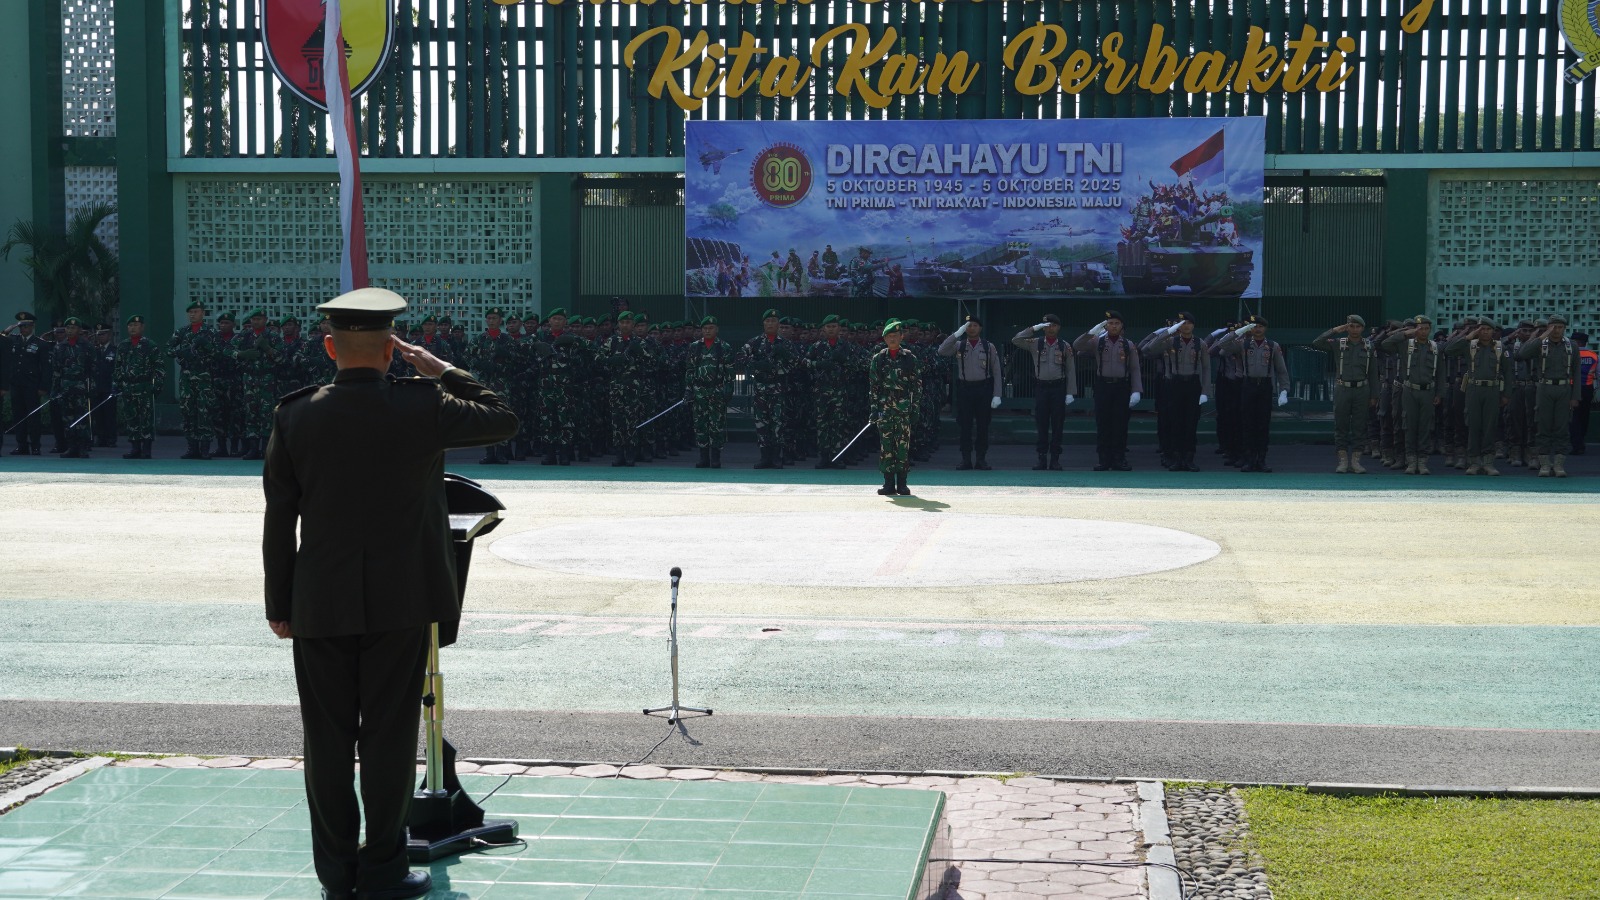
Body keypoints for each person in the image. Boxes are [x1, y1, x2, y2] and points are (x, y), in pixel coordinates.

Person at [262, 288, 518, 900]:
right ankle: (382, 871)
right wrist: (440, 369)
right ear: (390, 351)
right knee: (390, 738)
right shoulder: (423, 404)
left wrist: (279, 604)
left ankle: (337, 876)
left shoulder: (295, 414)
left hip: (319, 604)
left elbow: (279, 518)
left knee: (326, 742)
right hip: (402, 602)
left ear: (330, 348)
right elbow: (502, 417)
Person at [1214, 315, 1289, 473]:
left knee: (1262, 425)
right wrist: (1239, 331)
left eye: (1260, 326)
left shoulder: (1272, 346)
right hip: (1248, 385)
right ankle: (1249, 460)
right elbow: (1222, 345)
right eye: (1254, 326)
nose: (1258, 329)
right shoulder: (1244, 344)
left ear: (1265, 328)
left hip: (1265, 386)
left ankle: (1261, 460)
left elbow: (1281, 370)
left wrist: (1284, 390)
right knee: (1247, 424)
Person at [1074, 311, 1143, 471]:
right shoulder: (1097, 341)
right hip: (1103, 386)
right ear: (1106, 326)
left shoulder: (1128, 344)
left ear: (1122, 326)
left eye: (1117, 323)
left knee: (1120, 424)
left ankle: (1119, 459)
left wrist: (1136, 390)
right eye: (1110, 323)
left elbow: (1135, 368)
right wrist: (1092, 331)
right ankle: (1103, 460)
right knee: (1103, 423)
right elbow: (1077, 345)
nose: (1113, 326)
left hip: (1121, 387)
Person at [1145, 312, 1212, 472]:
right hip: (1175, 384)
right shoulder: (1171, 341)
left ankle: (1189, 458)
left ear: (1193, 325)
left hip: (1193, 384)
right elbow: (1149, 348)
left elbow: (1206, 368)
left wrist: (1205, 391)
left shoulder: (1200, 343)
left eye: (1188, 323)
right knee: (1175, 422)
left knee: (1191, 423)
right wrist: (1167, 332)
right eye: (1182, 323)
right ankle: (1176, 458)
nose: (1186, 326)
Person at [1516, 314, 1580, 478]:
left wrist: (1575, 396)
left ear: (1564, 329)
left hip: (1564, 388)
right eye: (1553, 327)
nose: (1556, 330)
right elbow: (1522, 354)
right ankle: (1544, 463)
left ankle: (1558, 464)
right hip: (1544, 387)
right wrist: (1541, 336)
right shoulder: (1540, 344)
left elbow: (1577, 372)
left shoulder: (1571, 346)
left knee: (1562, 428)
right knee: (1542, 426)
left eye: (1560, 327)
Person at [1444, 317, 1510, 476]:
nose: (1485, 332)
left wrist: (1506, 394)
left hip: (1492, 389)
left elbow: (1508, 373)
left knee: (1489, 426)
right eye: (1481, 329)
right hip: (1474, 389)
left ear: (1493, 331)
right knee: (1473, 425)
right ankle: (1474, 462)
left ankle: (1488, 463)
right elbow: (1448, 350)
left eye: (1488, 329)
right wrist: (1468, 336)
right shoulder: (1470, 345)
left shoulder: (1500, 347)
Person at [1312, 315, 1377, 474]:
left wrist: (1374, 395)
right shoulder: (1338, 343)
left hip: (1362, 389)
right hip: (1343, 388)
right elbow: (1317, 342)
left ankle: (1356, 461)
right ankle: (1342, 461)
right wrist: (1335, 330)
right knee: (1341, 425)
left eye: (1357, 327)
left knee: (1360, 426)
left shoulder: (1369, 345)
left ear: (1362, 328)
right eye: (1351, 326)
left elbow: (1373, 372)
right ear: (1347, 328)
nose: (1354, 330)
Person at [938, 315, 1004, 470]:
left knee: (983, 426)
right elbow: (942, 350)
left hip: (983, 389)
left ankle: (981, 458)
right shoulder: (959, 345)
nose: (971, 328)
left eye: (975, 325)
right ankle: (965, 459)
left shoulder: (988, 346)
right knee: (965, 426)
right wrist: (956, 334)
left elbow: (996, 371)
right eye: (968, 326)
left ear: (980, 328)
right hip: (965, 389)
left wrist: (997, 394)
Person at [1012, 314, 1077, 470]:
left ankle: (1055, 459)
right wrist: (1034, 329)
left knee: (1057, 424)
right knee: (1041, 423)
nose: (1050, 328)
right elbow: (1016, 340)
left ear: (1058, 327)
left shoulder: (1064, 346)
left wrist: (1070, 392)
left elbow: (1071, 370)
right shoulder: (1036, 343)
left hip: (1058, 387)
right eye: (1047, 326)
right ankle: (1041, 458)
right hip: (1041, 387)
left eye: (1053, 325)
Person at [1381, 315, 1442, 475]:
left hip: (1428, 391)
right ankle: (1411, 460)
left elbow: (1440, 373)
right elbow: (1385, 344)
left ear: (1430, 330)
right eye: (1420, 328)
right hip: (1409, 390)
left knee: (1425, 427)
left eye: (1426, 329)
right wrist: (1405, 333)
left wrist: (1439, 393)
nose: (1423, 332)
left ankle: (1422, 461)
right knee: (1409, 425)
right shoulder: (1405, 345)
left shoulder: (1435, 347)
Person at [737, 309, 797, 469]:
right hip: (761, 389)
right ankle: (765, 457)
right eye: (767, 321)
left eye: (773, 321)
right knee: (761, 424)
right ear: (763, 323)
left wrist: (784, 359)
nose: (770, 324)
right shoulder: (755, 342)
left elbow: (796, 364)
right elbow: (740, 357)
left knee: (778, 424)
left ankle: (776, 457)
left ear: (778, 324)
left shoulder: (785, 344)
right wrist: (756, 365)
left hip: (778, 389)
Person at [869, 319, 920, 496]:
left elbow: (916, 387)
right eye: (889, 336)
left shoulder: (910, 358)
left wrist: (915, 408)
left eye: (895, 336)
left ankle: (903, 483)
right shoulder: (878, 359)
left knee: (902, 447)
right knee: (886, 447)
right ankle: (888, 483)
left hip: (903, 408)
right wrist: (874, 409)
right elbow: (874, 387)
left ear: (901, 337)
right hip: (884, 409)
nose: (892, 339)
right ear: (884, 339)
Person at [683, 315, 735, 468]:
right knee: (700, 424)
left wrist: (728, 390)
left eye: (711, 328)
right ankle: (703, 457)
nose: (707, 331)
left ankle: (715, 457)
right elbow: (690, 370)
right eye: (705, 328)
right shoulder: (694, 347)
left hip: (716, 390)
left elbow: (730, 371)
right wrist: (689, 389)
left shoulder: (724, 347)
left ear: (716, 329)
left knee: (716, 424)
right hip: (699, 391)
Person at [114, 314, 166, 459]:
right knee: (131, 418)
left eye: (136, 325)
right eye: (130, 325)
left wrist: (157, 387)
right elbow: (118, 366)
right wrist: (118, 383)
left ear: (142, 327)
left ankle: (146, 448)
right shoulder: (123, 345)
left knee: (146, 418)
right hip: (129, 387)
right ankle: (135, 448)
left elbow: (159, 368)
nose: (133, 328)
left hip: (145, 386)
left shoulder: (150, 345)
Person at [50, 317, 96, 458]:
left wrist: (92, 388)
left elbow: (93, 369)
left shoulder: (87, 346)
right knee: (67, 418)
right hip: (65, 388)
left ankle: (83, 447)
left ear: (79, 330)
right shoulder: (60, 347)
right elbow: (56, 371)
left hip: (81, 387)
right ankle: (71, 446)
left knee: (81, 418)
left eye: (73, 328)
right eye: (68, 328)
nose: (70, 330)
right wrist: (55, 390)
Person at [5, 312, 49, 455]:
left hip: (32, 385)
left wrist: (43, 387)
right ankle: (21, 445)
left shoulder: (40, 344)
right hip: (16, 384)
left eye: (26, 326)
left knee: (33, 416)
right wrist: (7, 331)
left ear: (32, 326)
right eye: (21, 326)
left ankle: (35, 445)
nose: (23, 329)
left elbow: (45, 368)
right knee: (18, 416)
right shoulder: (13, 340)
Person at [1571, 331, 1594, 456]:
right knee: (1584, 416)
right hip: (1588, 388)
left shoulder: (1570, 354)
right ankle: (1581, 440)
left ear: (1576, 342)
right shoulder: (1594, 356)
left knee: (1574, 417)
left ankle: (1577, 444)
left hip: (1572, 388)